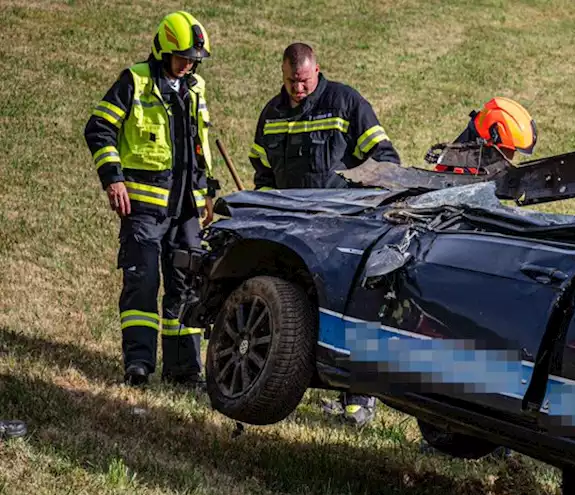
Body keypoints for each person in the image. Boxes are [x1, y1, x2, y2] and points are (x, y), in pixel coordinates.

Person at [248, 42, 400, 426]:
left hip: (342, 230)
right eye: (290, 82)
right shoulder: (272, 114)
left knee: (347, 310)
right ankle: (285, 385)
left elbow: (384, 159)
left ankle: (358, 402)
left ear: (316, 72)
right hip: (292, 232)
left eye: (302, 82)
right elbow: (263, 172)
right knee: (295, 311)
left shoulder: (345, 103)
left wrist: (364, 207)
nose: (297, 89)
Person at [84, 11, 216, 388]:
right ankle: (138, 366)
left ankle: (184, 371)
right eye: (182, 58)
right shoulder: (136, 81)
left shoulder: (196, 87)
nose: (188, 65)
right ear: (162, 51)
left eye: (194, 60)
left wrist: (207, 192)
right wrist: (114, 179)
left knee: (187, 287)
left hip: (186, 209)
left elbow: (198, 144)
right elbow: (99, 127)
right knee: (142, 283)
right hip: (143, 208)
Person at [425, 97, 537, 175]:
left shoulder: (482, 161)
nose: (511, 158)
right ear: (493, 136)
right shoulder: (461, 168)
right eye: (509, 150)